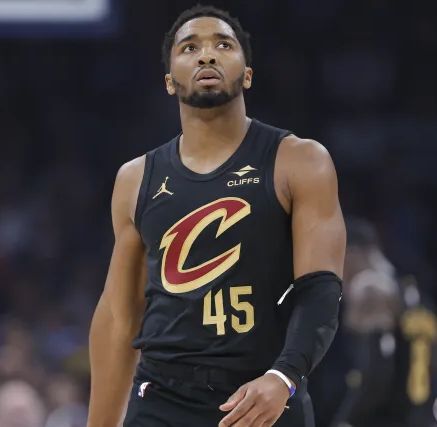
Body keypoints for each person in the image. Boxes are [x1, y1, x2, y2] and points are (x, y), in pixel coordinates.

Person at [86, 5, 345, 427]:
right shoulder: (135, 178)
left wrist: (284, 377)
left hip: (260, 392)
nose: (207, 54)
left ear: (247, 74)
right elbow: (119, 316)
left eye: (223, 45)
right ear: (170, 81)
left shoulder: (299, 160)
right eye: (189, 48)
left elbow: (320, 290)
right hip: (162, 398)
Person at [331, 218, 437, 427]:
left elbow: (376, 369)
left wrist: (346, 420)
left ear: (353, 254)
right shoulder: (413, 295)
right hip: (422, 417)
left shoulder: (370, 291)